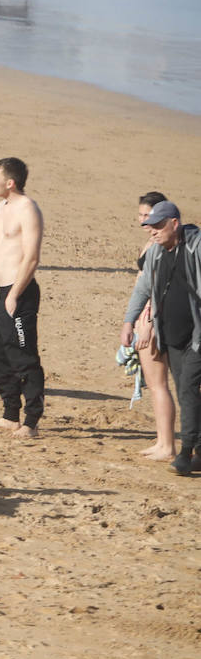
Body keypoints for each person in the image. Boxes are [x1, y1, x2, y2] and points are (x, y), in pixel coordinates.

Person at [122, 201, 201, 476]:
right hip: (172, 336)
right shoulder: (156, 252)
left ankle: (185, 452)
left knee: (189, 391)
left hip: (196, 337)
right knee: (183, 391)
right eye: (150, 227)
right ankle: (200, 451)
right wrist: (128, 322)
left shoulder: (196, 247)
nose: (152, 232)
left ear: (174, 224)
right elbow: (143, 288)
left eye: (157, 226)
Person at [0, 158, 45, 438]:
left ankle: (31, 420)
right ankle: (10, 414)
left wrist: (14, 294)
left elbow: (31, 257)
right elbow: (2, 249)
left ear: (10, 182)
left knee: (23, 357)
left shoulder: (27, 208)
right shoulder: (0, 207)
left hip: (18, 291)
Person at [128, 192, 178, 462]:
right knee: (157, 384)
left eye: (149, 216)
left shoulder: (159, 248)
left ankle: (167, 445)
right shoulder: (151, 244)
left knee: (159, 385)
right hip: (147, 316)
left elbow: (157, 290)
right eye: (141, 216)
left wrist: (146, 323)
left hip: (154, 318)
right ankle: (163, 441)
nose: (145, 222)